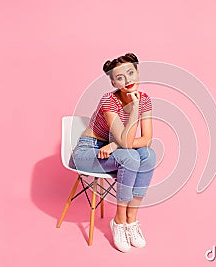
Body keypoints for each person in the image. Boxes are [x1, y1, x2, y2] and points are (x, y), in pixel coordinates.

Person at [69, 53, 156, 252]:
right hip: (88, 151)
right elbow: (126, 142)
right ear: (113, 82)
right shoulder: (109, 100)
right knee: (130, 156)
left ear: (137, 72)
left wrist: (115, 145)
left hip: (112, 150)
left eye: (131, 73)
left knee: (149, 155)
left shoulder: (146, 100)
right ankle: (118, 221)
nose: (128, 80)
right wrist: (133, 109)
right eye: (120, 77)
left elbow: (147, 140)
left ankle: (131, 221)